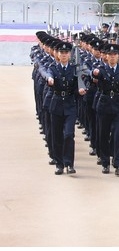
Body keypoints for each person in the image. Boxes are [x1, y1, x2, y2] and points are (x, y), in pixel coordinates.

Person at [92, 44, 119, 175]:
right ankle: (105, 162)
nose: (112, 57)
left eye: (114, 55)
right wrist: (93, 74)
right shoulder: (100, 69)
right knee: (103, 135)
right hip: (104, 105)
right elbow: (91, 75)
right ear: (106, 56)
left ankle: (118, 164)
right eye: (110, 55)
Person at [45, 42, 87, 174]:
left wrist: (80, 90)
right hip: (56, 104)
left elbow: (78, 85)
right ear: (58, 54)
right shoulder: (53, 68)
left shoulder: (74, 69)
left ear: (70, 54)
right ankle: (59, 164)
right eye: (61, 53)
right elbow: (49, 75)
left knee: (69, 135)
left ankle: (69, 163)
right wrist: (50, 80)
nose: (64, 55)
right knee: (57, 136)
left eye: (66, 53)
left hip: (70, 105)